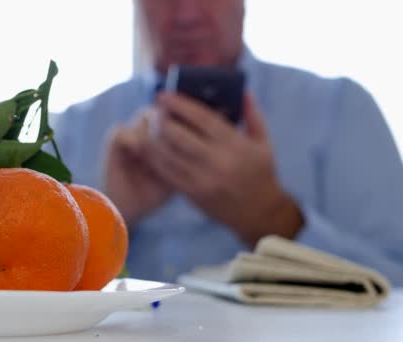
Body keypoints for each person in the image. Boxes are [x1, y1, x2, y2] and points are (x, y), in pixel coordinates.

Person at [49, 0, 403, 285]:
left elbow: (396, 279)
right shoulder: (69, 129)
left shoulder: (340, 108)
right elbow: (27, 289)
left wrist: (275, 218)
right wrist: (111, 216)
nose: (186, 14)